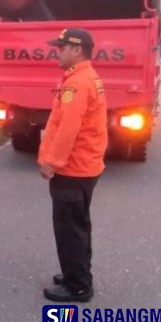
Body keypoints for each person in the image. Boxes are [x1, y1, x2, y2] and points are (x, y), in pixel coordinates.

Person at [38, 28, 108, 303]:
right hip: (84, 166)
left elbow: (68, 128)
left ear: (76, 50)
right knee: (78, 225)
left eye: (62, 47)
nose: (58, 51)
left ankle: (77, 286)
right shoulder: (85, 77)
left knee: (70, 228)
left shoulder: (77, 83)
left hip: (73, 168)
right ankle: (75, 274)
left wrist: (51, 162)